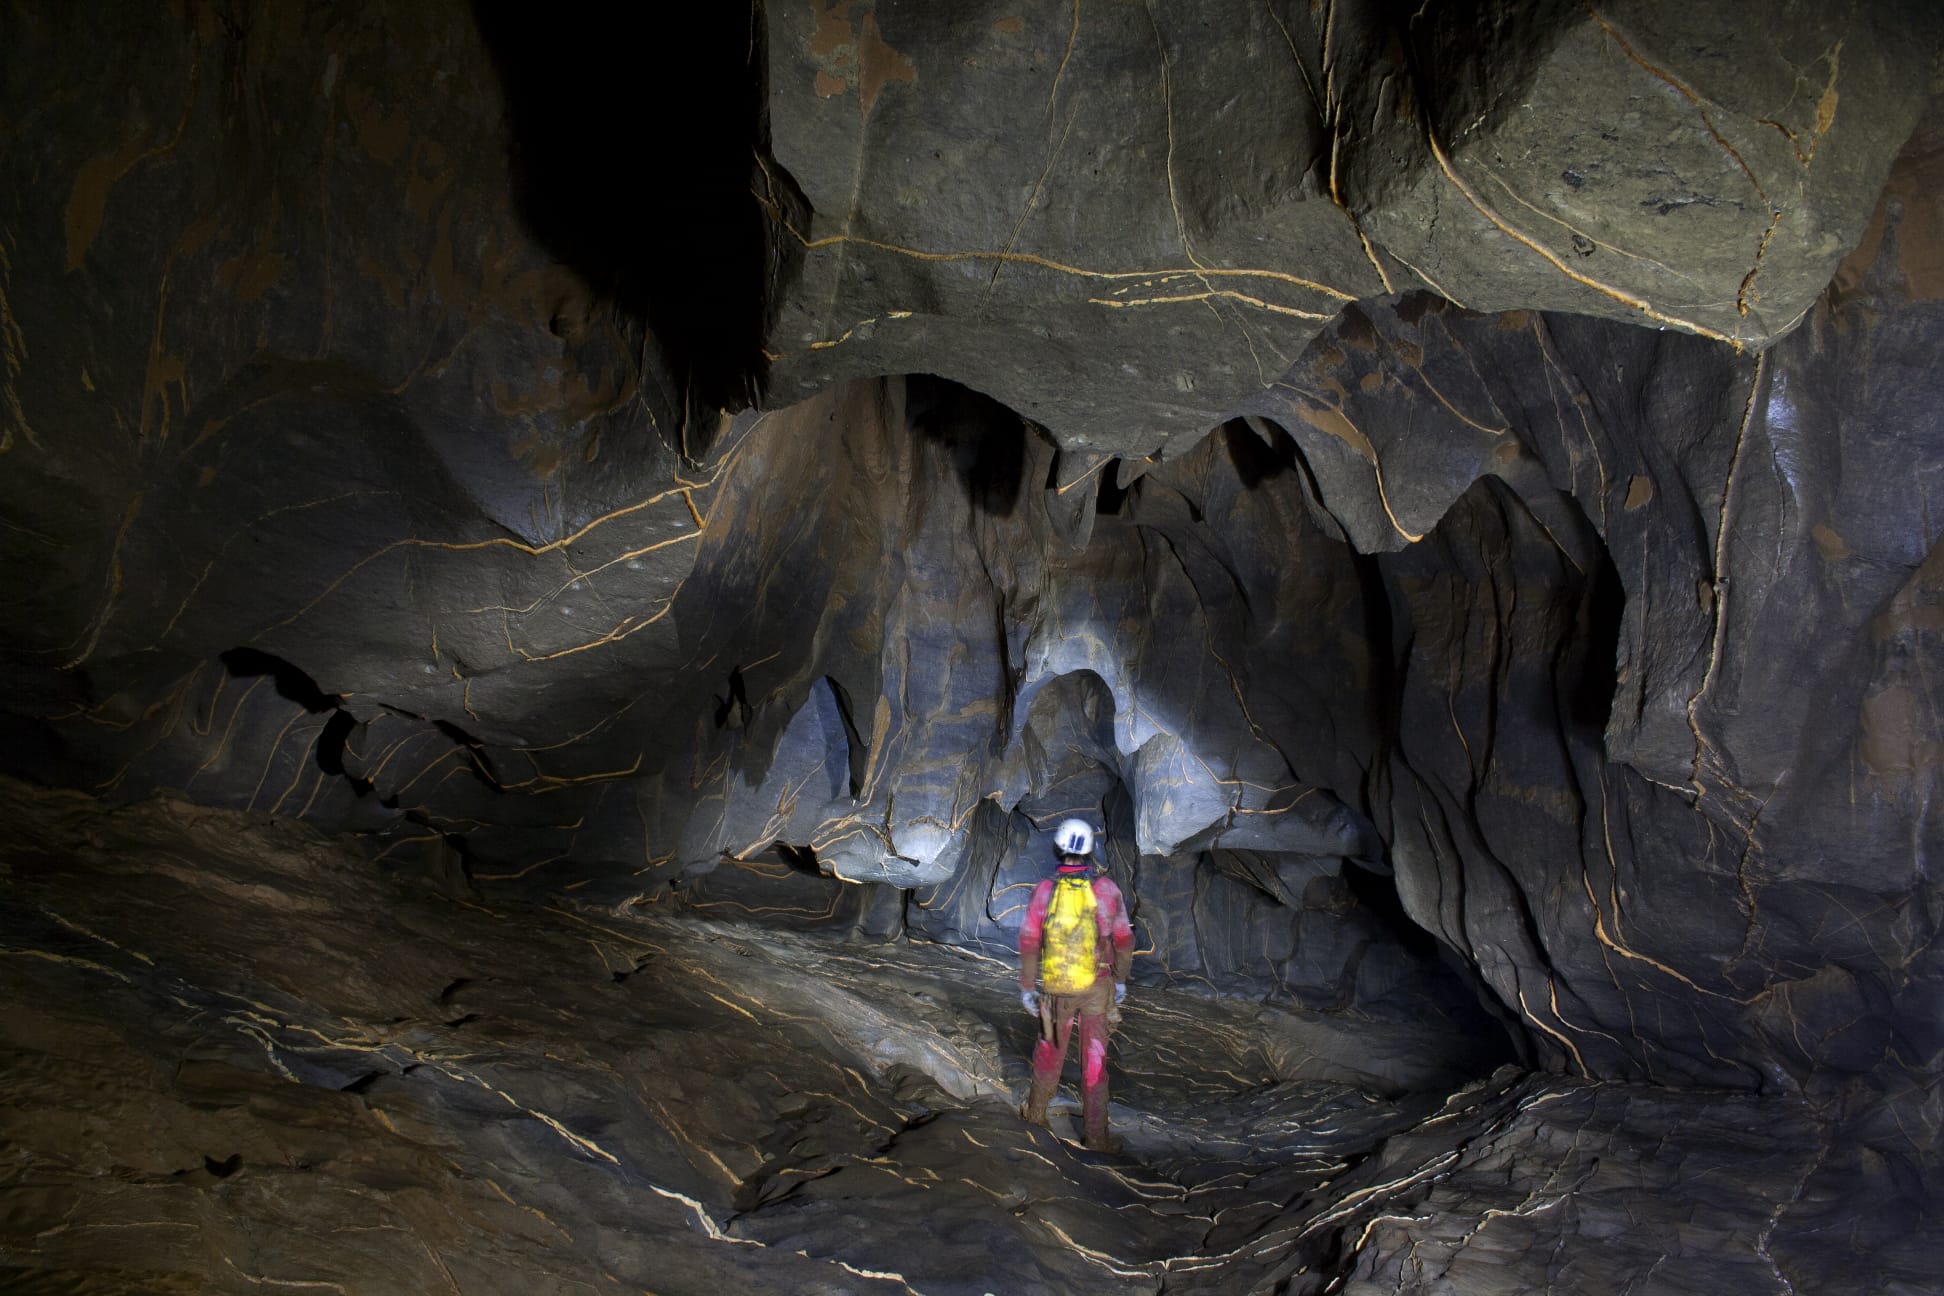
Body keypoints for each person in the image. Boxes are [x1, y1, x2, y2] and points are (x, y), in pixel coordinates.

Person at [1016, 817, 1134, 1153]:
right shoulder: (1107, 890)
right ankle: (1097, 1137)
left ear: (1057, 848)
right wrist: (1121, 980)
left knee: (1049, 1052)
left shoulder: (1045, 890)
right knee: (1095, 1061)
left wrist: (1028, 986)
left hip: (1056, 992)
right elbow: (1124, 939)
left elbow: (1029, 939)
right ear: (1091, 852)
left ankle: (1036, 1118)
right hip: (1096, 989)